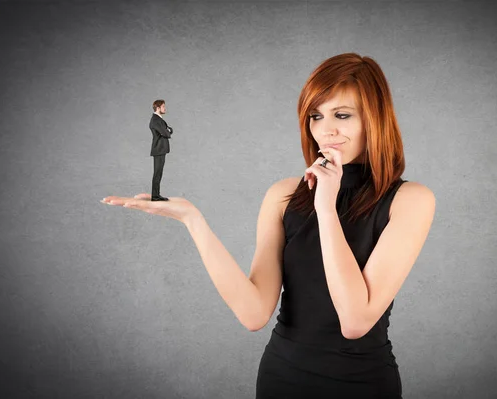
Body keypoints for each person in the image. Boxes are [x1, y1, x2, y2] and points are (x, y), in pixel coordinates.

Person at [101, 53, 436, 398]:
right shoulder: (284, 194)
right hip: (282, 378)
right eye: (316, 116)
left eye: (343, 115)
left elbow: (355, 321)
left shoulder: (410, 200)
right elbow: (253, 312)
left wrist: (326, 207)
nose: (326, 130)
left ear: (375, 118)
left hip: (362, 383)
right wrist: (193, 220)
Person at [149, 99, 174, 201]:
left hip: (160, 149)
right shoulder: (155, 120)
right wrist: (167, 131)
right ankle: (155, 196)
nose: (165, 108)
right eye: (163, 106)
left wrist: (167, 131)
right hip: (158, 149)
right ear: (158, 108)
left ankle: (156, 195)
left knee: (159, 173)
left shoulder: (159, 119)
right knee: (157, 173)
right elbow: (166, 133)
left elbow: (169, 130)